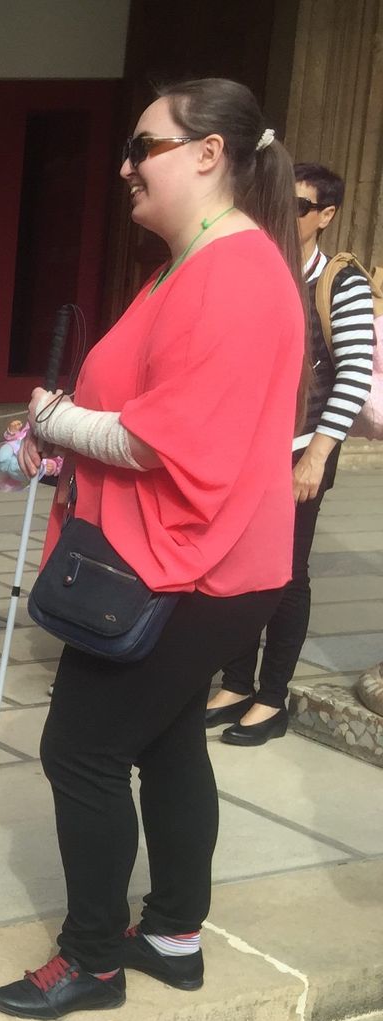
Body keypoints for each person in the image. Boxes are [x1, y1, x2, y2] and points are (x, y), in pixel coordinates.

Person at [0, 79, 306, 1020]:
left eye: (145, 146)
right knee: (167, 743)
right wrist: (61, 440)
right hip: (193, 558)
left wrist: (57, 418)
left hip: (191, 567)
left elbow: (164, 441)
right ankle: (171, 932)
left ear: (209, 154)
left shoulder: (233, 272)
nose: (126, 165)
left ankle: (91, 956)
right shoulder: (192, 261)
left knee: (81, 749)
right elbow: (146, 418)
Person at [206, 161, 376, 745]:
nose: (286, 212)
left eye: (301, 206)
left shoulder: (338, 281)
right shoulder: (259, 267)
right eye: (282, 200)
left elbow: (353, 373)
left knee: (286, 574)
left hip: (301, 449)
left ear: (325, 216)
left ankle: (272, 698)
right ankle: (235, 681)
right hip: (244, 450)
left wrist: (317, 457)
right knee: (232, 565)